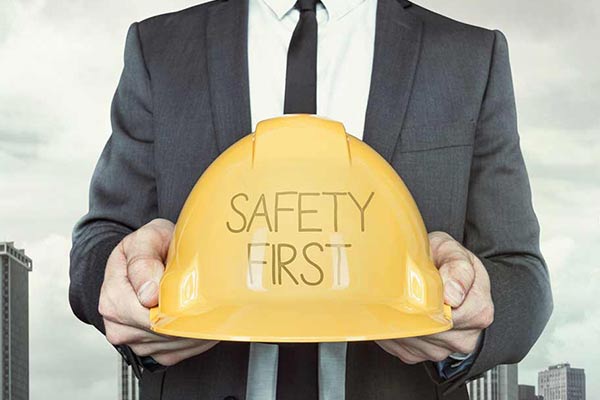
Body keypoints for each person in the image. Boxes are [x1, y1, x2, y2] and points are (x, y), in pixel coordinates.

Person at [69, 0, 553, 399]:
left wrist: (471, 317)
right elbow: (101, 239)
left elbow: (522, 274)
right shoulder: (159, 48)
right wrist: (117, 280)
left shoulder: (469, 56)